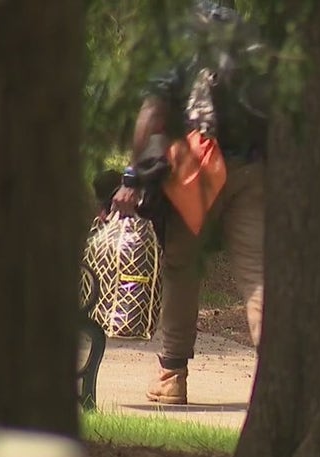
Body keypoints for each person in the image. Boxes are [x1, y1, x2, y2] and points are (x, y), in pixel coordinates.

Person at [112, 2, 271, 405]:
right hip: (250, 169)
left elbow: (152, 112)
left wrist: (132, 176)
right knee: (256, 273)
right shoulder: (251, 37)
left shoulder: (179, 36)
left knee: (182, 268)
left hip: (196, 169)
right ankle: (277, 378)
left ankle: (172, 376)